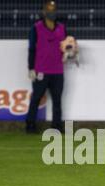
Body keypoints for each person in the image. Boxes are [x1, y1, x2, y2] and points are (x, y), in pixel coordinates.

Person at [26, 0, 67, 133]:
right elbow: (32, 48)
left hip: (57, 70)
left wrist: (70, 53)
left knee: (57, 100)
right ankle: (30, 124)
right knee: (36, 97)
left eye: (54, 9)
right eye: (49, 9)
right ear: (44, 12)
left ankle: (57, 126)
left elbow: (67, 46)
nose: (52, 12)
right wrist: (31, 68)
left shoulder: (62, 28)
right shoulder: (36, 28)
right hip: (41, 70)